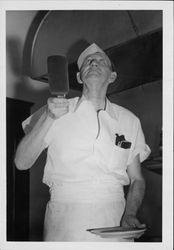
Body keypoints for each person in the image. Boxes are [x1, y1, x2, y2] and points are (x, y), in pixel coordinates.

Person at [14, 43, 151, 241]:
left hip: (115, 219)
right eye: (88, 61)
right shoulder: (54, 109)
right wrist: (49, 117)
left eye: (101, 61)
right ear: (79, 77)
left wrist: (130, 213)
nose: (94, 63)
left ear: (112, 76)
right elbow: (21, 163)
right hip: (65, 219)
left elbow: (137, 178)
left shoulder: (130, 120)